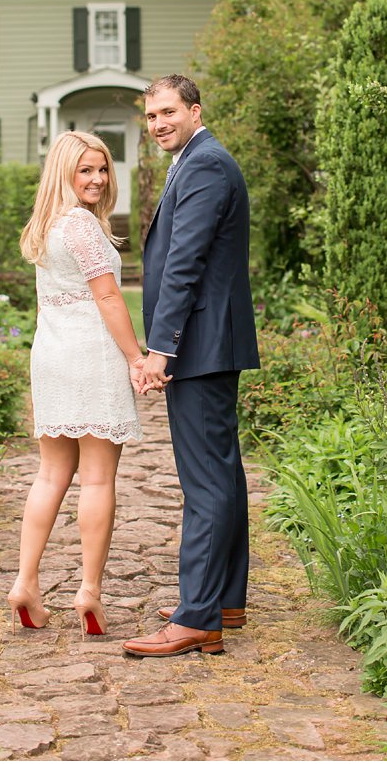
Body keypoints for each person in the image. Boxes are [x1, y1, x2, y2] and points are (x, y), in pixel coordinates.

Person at [122, 74, 259, 658]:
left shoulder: (204, 164)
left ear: (195, 110)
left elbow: (184, 263)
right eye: (151, 115)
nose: (158, 124)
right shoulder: (196, 159)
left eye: (169, 112)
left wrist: (161, 348)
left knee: (205, 481)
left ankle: (198, 615)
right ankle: (224, 597)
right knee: (221, 473)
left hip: (199, 346)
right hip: (210, 343)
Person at [7, 130, 145, 636]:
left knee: (49, 475)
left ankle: (26, 582)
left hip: (52, 354)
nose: (97, 179)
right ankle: (89, 591)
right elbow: (109, 298)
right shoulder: (83, 228)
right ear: (64, 172)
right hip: (90, 353)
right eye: (85, 169)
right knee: (98, 478)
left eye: (103, 169)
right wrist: (136, 357)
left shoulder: (44, 227)